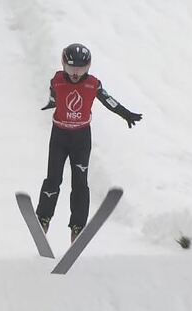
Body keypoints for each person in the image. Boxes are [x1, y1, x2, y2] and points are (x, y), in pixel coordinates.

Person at [36, 43, 142, 242]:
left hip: (81, 138)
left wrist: (126, 114)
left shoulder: (93, 84)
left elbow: (109, 100)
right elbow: (53, 95)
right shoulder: (57, 80)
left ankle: (77, 226)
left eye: (81, 68)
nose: (75, 73)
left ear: (88, 67)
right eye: (71, 68)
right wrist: (52, 102)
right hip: (59, 136)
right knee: (53, 179)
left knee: (80, 183)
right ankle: (43, 218)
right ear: (63, 65)